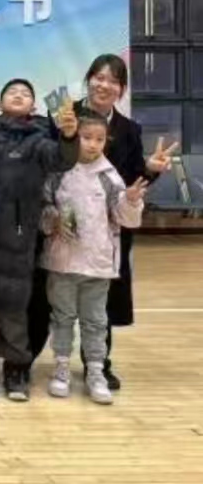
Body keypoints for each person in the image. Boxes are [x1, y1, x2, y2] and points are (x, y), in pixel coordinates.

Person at [30, 53, 176, 390]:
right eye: (99, 77)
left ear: (121, 89)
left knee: (100, 307)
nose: (104, 85)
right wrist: (50, 214)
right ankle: (35, 362)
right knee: (52, 303)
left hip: (104, 231)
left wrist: (150, 170)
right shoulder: (63, 115)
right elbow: (45, 167)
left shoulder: (129, 129)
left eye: (113, 80)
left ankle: (97, 365)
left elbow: (131, 183)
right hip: (61, 232)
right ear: (89, 80)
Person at [0, 48, 79, 402]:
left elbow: (62, 160)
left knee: (13, 300)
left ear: (33, 106)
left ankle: (17, 367)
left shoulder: (40, 139)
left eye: (25, 93)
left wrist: (69, 136)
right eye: (11, 91)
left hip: (18, 232)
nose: (19, 95)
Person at [39, 113, 147, 405]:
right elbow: (43, 207)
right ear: (74, 137)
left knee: (96, 321)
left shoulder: (109, 176)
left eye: (99, 139)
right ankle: (61, 368)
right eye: (86, 138)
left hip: (97, 265)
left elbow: (126, 219)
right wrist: (52, 219)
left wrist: (131, 200)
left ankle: (96, 372)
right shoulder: (58, 172)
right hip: (61, 262)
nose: (92, 144)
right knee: (61, 317)